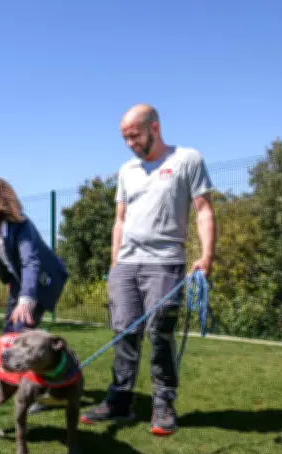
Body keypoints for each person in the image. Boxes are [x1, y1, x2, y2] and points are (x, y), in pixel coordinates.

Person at [80, 103, 216, 436]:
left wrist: (206, 255)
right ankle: (119, 401)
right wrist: (115, 263)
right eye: (125, 138)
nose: (130, 143)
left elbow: (203, 211)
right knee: (124, 332)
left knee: (159, 334)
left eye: (134, 136)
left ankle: (163, 405)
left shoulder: (187, 160)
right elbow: (120, 219)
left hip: (165, 261)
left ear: (154, 128)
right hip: (126, 264)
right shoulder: (127, 170)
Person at [0, 176, 68, 333]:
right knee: (7, 333)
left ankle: (48, 350)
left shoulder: (21, 226)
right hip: (19, 281)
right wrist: (10, 281)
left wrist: (26, 300)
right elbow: (5, 263)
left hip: (41, 281)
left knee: (18, 334)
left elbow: (30, 262)